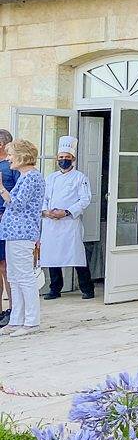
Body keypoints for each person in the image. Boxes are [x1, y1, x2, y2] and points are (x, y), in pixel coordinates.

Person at [0, 139, 47, 336]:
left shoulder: (32, 177)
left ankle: (31, 321)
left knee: (25, 277)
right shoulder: (23, 177)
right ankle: (16, 319)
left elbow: (18, 204)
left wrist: (1, 188)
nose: (8, 158)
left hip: (23, 232)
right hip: (13, 232)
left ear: (21, 156)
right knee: (14, 277)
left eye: (11, 154)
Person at [40, 136, 94, 300]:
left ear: (73, 159)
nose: (64, 160)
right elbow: (43, 198)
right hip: (51, 223)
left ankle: (87, 289)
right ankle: (55, 289)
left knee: (76, 255)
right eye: (61, 158)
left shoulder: (80, 177)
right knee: (52, 256)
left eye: (67, 158)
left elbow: (85, 199)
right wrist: (46, 211)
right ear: (57, 159)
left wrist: (67, 212)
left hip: (69, 223)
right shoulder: (50, 178)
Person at [0, 129, 16, 326]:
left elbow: (17, 198)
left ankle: (13, 309)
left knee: (6, 267)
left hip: (5, 220)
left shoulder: (11, 167)